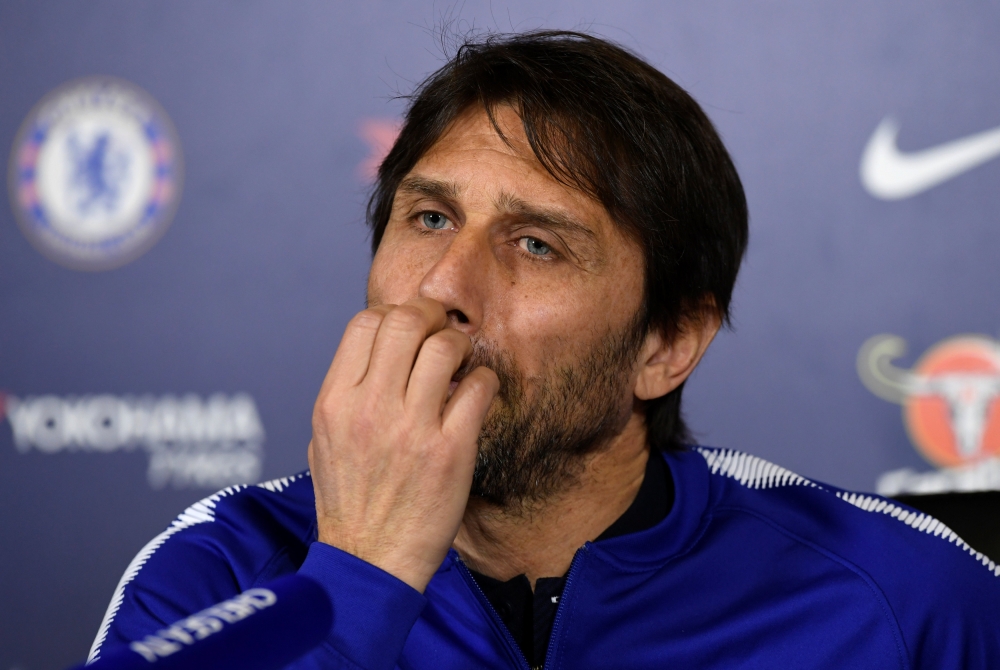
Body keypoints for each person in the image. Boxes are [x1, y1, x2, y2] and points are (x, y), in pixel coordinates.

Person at [88, 31, 1000, 669]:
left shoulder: (901, 596)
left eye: (536, 244)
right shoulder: (224, 569)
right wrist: (358, 576)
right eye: (430, 217)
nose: (443, 284)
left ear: (669, 343)